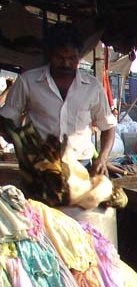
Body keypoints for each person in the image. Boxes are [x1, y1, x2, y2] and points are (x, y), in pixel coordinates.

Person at [0, 23, 115, 175]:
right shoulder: (28, 81)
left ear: (79, 56)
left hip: (80, 166)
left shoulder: (93, 87)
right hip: (39, 165)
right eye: (60, 58)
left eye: (72, 58)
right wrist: (16, 138)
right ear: (49, 54)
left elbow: (108, 126)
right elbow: (7, 117)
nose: (66, 63)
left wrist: (103, 158)